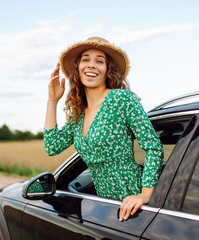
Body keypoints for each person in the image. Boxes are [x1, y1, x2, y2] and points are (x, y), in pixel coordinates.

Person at [44, 36, 163, 222]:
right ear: (78, 68)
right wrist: (52, 101)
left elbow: (153, 145)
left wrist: (144, 195)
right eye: (85, 59)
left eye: (99, 61)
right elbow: (52, 147)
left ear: (108, 70)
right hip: (105, 207)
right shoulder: (79, 113)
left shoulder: (120, 99)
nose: (91, 65)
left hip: (132, 201)